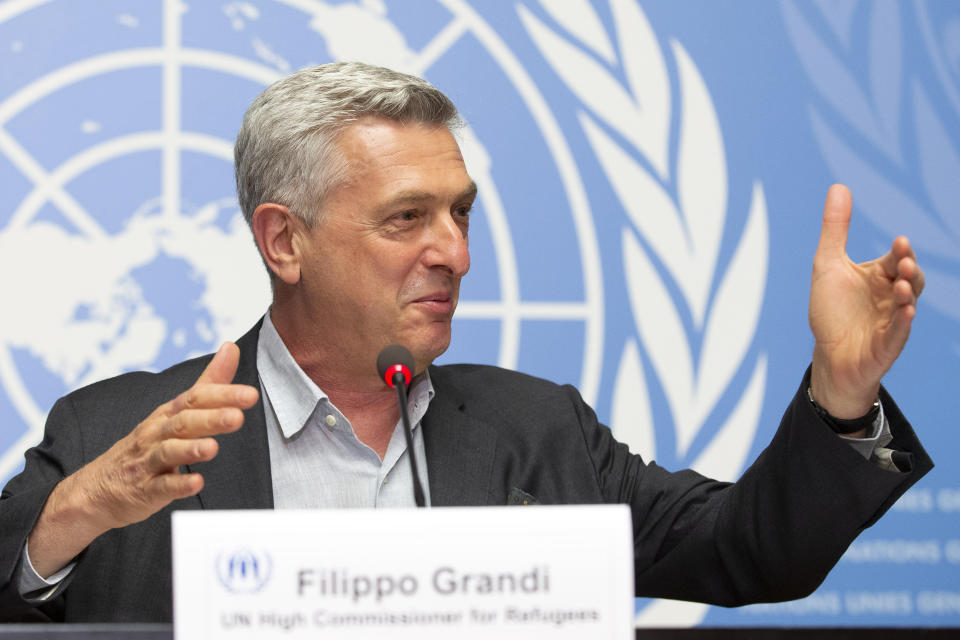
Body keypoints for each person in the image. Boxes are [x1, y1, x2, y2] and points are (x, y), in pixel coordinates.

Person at [0, 62, 931, 622]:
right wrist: (68, 523)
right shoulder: (116, 434)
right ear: (285, 241)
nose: (454, 250)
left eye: (460, 213)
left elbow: (752, 553)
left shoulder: (540, 429)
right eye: (408, 217)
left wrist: (840, 396)